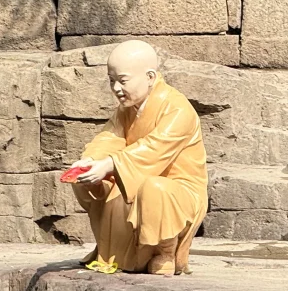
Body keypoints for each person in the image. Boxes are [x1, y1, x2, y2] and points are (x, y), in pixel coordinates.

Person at [70, 40, 208, 276]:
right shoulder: (127, 109)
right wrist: (92, 161)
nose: (116, 88)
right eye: (111, 80)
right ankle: (112, 252)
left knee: (154, 188)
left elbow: (154, 150)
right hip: (135, 179)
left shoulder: (178, 109)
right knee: (88, 180)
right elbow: (109, 138)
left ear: (150, 77)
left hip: (178, 190)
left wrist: (111, 164)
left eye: (122, 81)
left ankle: (164, 252)